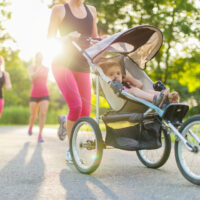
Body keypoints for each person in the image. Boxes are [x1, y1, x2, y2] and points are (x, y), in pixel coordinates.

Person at [47, 0, 99, 162]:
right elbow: (49, 39)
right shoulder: (59, 10)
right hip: (62, 62)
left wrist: (102, 41)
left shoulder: (92, 10)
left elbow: (94, 40)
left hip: (82, 64)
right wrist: (67, 37)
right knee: (76, 105)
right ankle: (71, 150)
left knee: (85, 112)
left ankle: (64, 121)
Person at [99, 59, 172, 108]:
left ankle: (167, 98)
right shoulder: (112, 87)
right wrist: (133, 90)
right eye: (111, 74)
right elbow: (119, 95)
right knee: (134, 90)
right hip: (126, 103)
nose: (116, 76)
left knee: (147, 91)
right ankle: (155, 99)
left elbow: (140, 85)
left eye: (118, 73)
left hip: (138, 99)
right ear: (106, 77)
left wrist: (129, 78)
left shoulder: (126, 84)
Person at [28, 52, 50, 143]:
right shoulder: (31, 67)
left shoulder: (46, 68)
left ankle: (40, 135)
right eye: (38, 56)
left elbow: (46, 80)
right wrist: (38, 70)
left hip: (44, 93)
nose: (40, 58)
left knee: (43, 113)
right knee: (33, 115)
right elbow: (31, 77)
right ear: (36, 58)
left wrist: (42, 69)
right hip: (34, 94)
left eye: (41, 56)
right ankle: (30, 126)